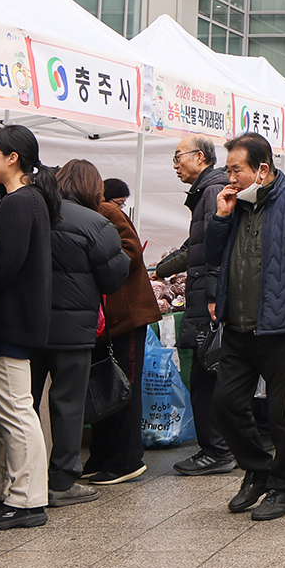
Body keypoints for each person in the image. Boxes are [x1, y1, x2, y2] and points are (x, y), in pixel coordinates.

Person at [203, 132, 285, 521]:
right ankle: (257, 471)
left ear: (262, 169)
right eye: (227, 169)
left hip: (283, 331)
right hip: (238, 329)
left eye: (236, 169)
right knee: (225, 404)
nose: (230, 177)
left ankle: (283, 487)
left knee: (281, 416)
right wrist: (221, 217)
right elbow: (212, 257)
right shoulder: (234, 205)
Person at [0, 125, 59, 532]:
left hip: (9, 322)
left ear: (12, 159)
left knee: (15, 412)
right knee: (6, 412)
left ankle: (25, 500)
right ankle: (0, 491)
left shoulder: (21, 203)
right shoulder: (26, 200)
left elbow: (3, 265)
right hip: (15, 322)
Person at [33, 160, 133, 507]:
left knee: (24, 405)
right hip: (74, 331)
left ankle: (23, 478)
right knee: (67, 404)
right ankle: (62, 479)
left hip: (28, 327)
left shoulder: (34, 213)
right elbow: (113, 276)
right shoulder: (97, 224)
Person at [150, 135, 233, 476]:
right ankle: (219, 447)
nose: (174, 165)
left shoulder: (212, 191)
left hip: (207, 298)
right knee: (206, 374)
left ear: (199, 157)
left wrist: (212, 297)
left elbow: (217, 248)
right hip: (203, 293)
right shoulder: (205, 192)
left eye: (177, 157)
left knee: (204, 375)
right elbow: (193, 247)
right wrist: (160, 269)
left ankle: (216, 450)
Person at [83, 165, 160, 487]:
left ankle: (127, 460)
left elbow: (130, 251)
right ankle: (101, 456)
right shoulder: (92, 211)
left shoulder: (105, 209)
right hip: (107, 320)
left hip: (126, 316)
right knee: (104, 387)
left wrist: (93, 264)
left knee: (122, 385)